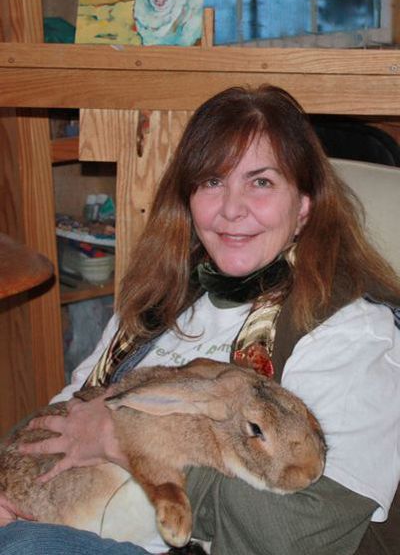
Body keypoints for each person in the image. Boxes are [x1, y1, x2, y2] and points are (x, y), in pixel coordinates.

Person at [0, 84, 399, 555]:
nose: (231, 209)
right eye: (212, 182)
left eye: (261, 182)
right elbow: (73, 411)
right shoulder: (163, 300)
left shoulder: (353, 335)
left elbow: (295, 534)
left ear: (304, 206)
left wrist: (127, 446)